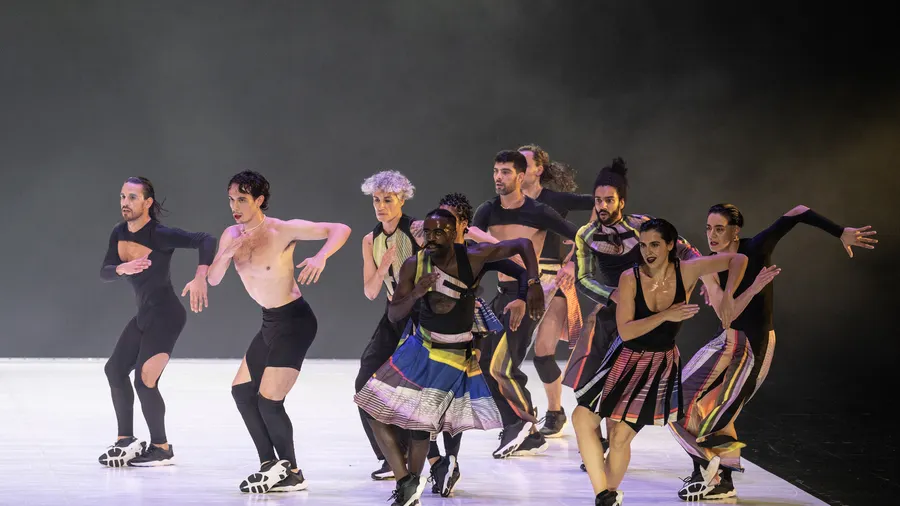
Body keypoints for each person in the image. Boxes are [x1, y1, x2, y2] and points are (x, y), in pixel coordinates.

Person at [671, 203, 878, 501]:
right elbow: (726, 315)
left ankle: (718, 478)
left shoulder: (756, 248)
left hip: (753, 346)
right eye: (708, 228)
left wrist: (840, 232)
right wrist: (738, 287)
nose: (712, 235)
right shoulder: (713, 264)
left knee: (718, 413)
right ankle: (708, 468)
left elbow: (799, 211)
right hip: (725, 341)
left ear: (735, 231)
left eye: (719, 229)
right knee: (679, 402)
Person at [355, 209, 545, 506]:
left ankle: (423, 478)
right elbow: (393, 314)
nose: (432, 238)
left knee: (421, 425)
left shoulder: (474, 256)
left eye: (440, 232)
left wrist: (532, 285)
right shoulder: (414, 264)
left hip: (454, 353)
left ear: (455, 231)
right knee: (372, 407)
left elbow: (523, 244)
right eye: (428, 232)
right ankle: (408, 482)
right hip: (419, 348)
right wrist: (416, 293)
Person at [572, 218, 748, 506]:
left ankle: (607, 496)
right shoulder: (630, 278)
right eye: (643, 245)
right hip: (623, 359)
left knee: (619, 438)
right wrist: (666, 315)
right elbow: (627, 332)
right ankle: (605, 495)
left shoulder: (688, 270)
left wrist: (728, 296)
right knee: (581, 418)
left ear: (670, 245)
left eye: (654, 244)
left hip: (658, 367)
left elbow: (739, 259)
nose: (648, 251)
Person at [206, 170, 351, 493]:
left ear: (259, 200)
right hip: (270, 322)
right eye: (231, 200)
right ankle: (270, 465)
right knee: (242, 392)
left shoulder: (281, 230)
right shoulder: (231, 234)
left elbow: (340, 229)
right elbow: (213, 279)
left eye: (242, 199)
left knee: (269, 400)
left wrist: (321, 256)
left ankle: (293, 472)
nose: (235, 207)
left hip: (295, 322)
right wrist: (226, 253)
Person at [567, 158, 700, 468]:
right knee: (590, 385)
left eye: (608, 200)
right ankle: (600, 442)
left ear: (621, 202)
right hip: (610, 316)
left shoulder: (642, 226)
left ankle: (616, 447)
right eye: (598, 200)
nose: (602, 205)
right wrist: (612, 294)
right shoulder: (586, 234)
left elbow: (684, 249)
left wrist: (696, 281)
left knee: (625, 387)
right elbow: (583, 279)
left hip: (643, 316)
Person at [98, 177, 216, 468]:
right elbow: (105, 271)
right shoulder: (118, 232)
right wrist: (122, 268)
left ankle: (161, 448)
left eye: (132, 197)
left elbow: (205, 239)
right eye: (122, 196)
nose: (125, 202)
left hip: (166, 315)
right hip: (145, 314)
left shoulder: (159, 234)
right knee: (115, 370)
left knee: (145, 381)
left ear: (148, 203)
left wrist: (201, 276)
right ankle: (125, 440)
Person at [472, 149, 580, 458]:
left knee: (503, 365)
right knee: (483, 364)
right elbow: (472, 235)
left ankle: (523, 423)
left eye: (505, 172)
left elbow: (580, 238)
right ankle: (525, 429)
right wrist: (499, 245)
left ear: (521, 177)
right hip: (502, 292)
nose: (498, 177)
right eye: (496, 171)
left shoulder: (539, 211)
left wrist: (572, 264)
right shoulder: (488, 210)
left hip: (531, 292)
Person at [424, 192, 531, 497]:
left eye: (450, 219)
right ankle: (437, 462)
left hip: (464, 329)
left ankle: (449, 460)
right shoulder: (429, 249)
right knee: (421, 399)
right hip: (428, 329)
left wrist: (524, 296)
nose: (441, 224)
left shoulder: (476, 252)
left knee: (450, 399)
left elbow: (519, 269)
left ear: (463, 224)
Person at [517, 144, 596, 437]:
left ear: (539, 169)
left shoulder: (554, 200)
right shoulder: (507, 203)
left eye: (525, 165)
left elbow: (600, 204)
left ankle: (554, 411)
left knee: (543, 353)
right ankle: (520, 417)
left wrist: (574, 260)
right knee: (509, 357)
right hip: (521, 280)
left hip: (555, 279)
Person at [357, 170, 422, 480]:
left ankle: (426, 456)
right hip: (392, 315)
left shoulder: (417, 230)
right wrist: (382, 267)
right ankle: (389, 455)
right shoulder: (370, 239)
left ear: (402, 200)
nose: (381, 206)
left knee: (410, 387)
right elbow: (370, 292)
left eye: (388, 200)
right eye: (376, 200)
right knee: (365, 381)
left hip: (419, 314)